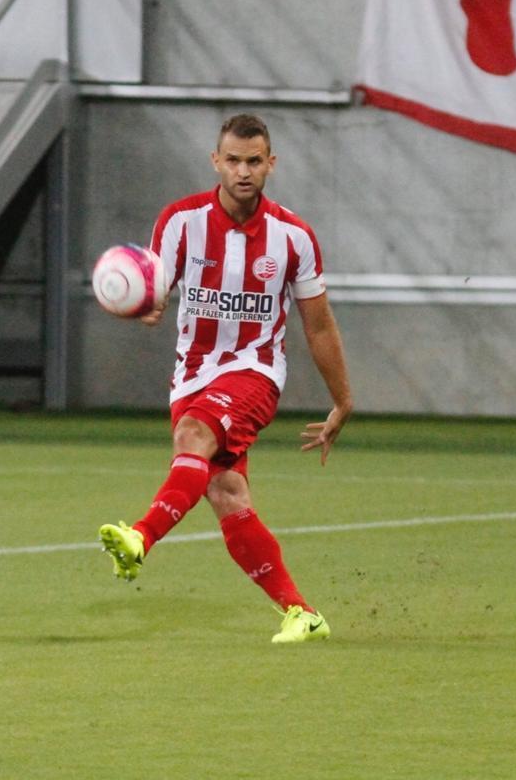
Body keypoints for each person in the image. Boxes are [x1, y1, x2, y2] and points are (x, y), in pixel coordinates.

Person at [98, 113, 353, 644]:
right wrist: (145, 305)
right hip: (192, 373)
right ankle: (302, 613)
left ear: (271, 164)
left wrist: (341, 401)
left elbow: (320, 324)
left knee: (192, 436)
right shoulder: (179, 221)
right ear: (216, 161)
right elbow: (155, 287)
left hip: (255, 370)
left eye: (254, 161)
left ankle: (140, 538)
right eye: (233, 160)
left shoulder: (295, 238)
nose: (243, 171)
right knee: (227, 493)